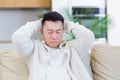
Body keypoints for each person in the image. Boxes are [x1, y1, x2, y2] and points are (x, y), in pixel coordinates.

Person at [12, 11, 95, 80]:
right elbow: (18, 37)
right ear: (41, 31)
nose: (54, 36)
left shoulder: (72, 48)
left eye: (58, 31)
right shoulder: (33, 50)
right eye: (49, 32)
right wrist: (39, 23)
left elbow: (88, 36)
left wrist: (66, 24)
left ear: (63, 31)